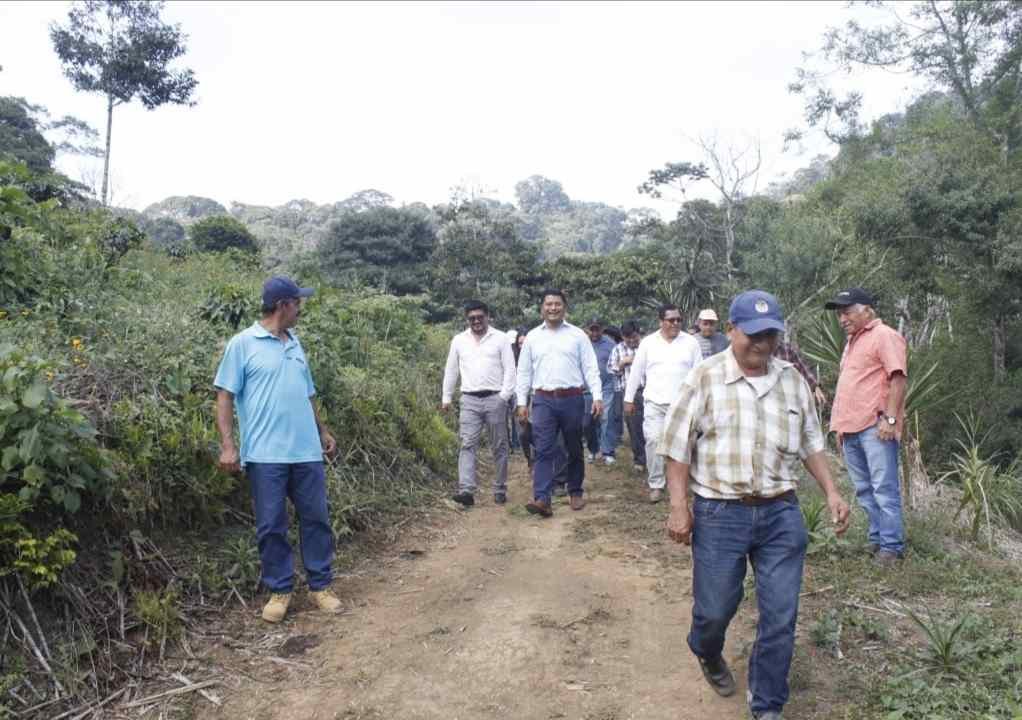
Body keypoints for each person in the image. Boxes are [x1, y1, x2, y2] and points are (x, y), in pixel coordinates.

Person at [661, 289, 851, 720]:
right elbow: (676, 448)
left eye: (771, 335)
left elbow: (810, 445)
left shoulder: (792, 380)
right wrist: (678, 506)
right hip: (719, 512)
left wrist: (833, 492)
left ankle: (767, 705)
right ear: (731, 330)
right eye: (753, 335)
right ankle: (706, 650)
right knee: (715, 610)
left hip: (780, 511)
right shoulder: (704, 377)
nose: (763, 344)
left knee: (780, 617)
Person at [214, 276, 342, 624]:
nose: (301, 308)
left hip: (306, 453)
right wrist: (229, 445)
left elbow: (308, 393)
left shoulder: (295, 344)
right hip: (265, 454)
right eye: (298, 302)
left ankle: (321, 587)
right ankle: (280, 591)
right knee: (271, 525)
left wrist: (322, 430)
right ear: (283, 305)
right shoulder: (242, 344)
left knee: (316, 519)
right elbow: (224, 396)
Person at [825, 287, 908, 563]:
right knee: (864, 490)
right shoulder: (852, 342)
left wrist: (891, 419)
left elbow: (898, 378)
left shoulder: (884, 335)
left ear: (867, 310)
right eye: (840, 314)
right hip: (850, 429)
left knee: (884, 488)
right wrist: (839, 427)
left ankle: (891, 547)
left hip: (875, 426)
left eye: (847, 312)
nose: (842, 318)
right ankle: (877, 540)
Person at [516, 289, 602, 517]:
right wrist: (521, 402)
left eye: (557, 304)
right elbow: (523, 372)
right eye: (548, 304)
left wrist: (597, 396)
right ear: (542, 308)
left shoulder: (577, 336)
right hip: (543, 399)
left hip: (572, 398)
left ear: (565, 307)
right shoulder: (533, 337)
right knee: (543, 448)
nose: (553, 308)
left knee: (574, 446)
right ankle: (542, 498)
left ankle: (575, 490)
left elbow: (591, 368)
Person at [624, 304, 702, 503]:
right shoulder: (648, 343)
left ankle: (683, 484)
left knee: (684, 445)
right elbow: (636, 372)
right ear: (661, 322)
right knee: (653, 440)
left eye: (678, 320)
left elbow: (700, 373)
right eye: (671, 320)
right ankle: (656, 484)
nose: (676, 323)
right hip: (654, 402)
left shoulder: (691, 343)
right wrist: (629, 398)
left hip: (683, 405)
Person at [442, 301, 516, 507]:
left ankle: (500, 488)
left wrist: (504, 397)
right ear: (467, 320)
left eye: (480, 317)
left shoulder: (500, 339)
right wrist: (446, 398)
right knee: (467, 444)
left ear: (488, 317)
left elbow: (510, 369)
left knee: (499, 446)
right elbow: (451, 370)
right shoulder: (459, 340)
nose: (476, 321)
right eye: (472, 318)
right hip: (469, 400)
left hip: (495, 398)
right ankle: (466, 490)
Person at [608, 320, 645, 471]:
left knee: (652, 428)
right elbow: (611, 369)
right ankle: (640, 461)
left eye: (634, 337)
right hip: (630, 394)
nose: (631, 340)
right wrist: (623, 363)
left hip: (649, 391)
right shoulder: (618, 349)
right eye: (627, 337)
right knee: (634, 428)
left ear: (639, 334)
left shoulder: (647, 347)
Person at [584, 319, 618, 465]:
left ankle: (608, 451)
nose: (595, 333)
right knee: (588, 421)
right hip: (587, 389)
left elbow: (617, 362)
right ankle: (593, 450)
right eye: (592, 330)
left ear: (602, 329)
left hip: (606, 387)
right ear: (588, 330)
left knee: (606, 418)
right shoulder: (583, 343)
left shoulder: (610, 344)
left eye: (597, 329)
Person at [774, 338, 828, 408]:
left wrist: (815, 387)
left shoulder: (786, 349)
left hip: (789, 399)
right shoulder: (759, 353)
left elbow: (802, 368)